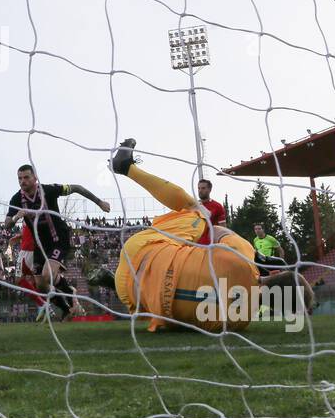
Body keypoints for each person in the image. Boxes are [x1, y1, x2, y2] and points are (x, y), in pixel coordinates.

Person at [94, 137, 313, 331]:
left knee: (199, 211)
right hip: (132, 296)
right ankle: (113, 282)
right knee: (168, 298)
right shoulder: (238, 322)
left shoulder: (242, 257)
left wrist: (256, 259)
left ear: (275, 275)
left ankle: (126, 168)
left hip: (141, 250)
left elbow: (219, 231)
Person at [6, 164, 110, 319]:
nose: (22, 181)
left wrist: (99, 202)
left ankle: (70, 293)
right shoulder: (16, 199)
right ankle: (67, 309)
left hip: (58, 238)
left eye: (26, 177)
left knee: (47, 275)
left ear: (35, 178)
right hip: (39, 245)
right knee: (40, 285)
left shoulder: (49, 190)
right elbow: (7, 223)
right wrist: (15, 217)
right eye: (20, 178)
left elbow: (76, 188)